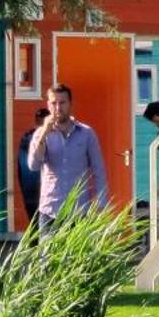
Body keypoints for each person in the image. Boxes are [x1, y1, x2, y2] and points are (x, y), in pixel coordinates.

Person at [25, 83, 108, 228]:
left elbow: (99, 170)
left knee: (80, 252)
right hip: (50, 211)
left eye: (62, 103)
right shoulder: (40, 134)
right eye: (53, 103)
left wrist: (101, 203)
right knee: (48, 251)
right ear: (48, 105)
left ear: (70, 104)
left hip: (79, 211)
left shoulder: (87, 134)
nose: (58, 108)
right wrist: (44, 133)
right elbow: (33, 165)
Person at [17, 107, 49, 221]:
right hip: (41, 194)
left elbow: (21, 169)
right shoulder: (52, 137)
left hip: (30, 194)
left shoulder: (26, 138)